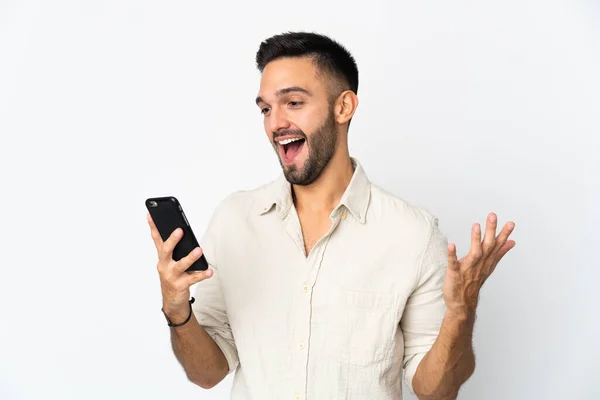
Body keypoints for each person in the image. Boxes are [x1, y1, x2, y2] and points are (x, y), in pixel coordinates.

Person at [147, 31, 516, 399]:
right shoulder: (234, 220)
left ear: (344, 107)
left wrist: (460, 311)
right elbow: (207, 373)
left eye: (293, 102)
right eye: (265, 109)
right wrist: (177, 309)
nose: (275, 124)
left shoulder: (412, 234)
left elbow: (436, 390)